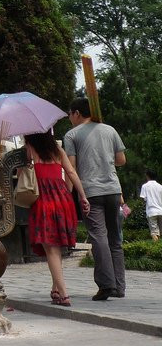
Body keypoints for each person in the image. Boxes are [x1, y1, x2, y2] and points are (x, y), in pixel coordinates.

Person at [64, 97, 127, 300]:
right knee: (115, 238)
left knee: (98, 237)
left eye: (70, 114)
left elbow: (71, 168)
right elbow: (121, 160)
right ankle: (119, 286)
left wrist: (67, 193)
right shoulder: (109, 130)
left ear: (76, 113)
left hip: (91, 191)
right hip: (113, 189)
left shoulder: (71, 135)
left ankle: (106, 284)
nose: (69, 118)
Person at [23, 131, 90, 306]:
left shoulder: (30, 149)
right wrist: (82, 196)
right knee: (57, 247)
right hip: (62, 199)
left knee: (51, 249)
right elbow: (71, 172)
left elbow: (23, 168)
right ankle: (55, 289)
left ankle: (64, 294)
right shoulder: (57, 149)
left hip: (43, 201)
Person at [139, 169, 162, 241]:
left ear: (147, 176)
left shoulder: (145, 186)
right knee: (160, 232)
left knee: (154, 232)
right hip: (161, 211)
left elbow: (142, 198)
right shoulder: (160, 186)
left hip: (151, 211)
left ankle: (155, 249)